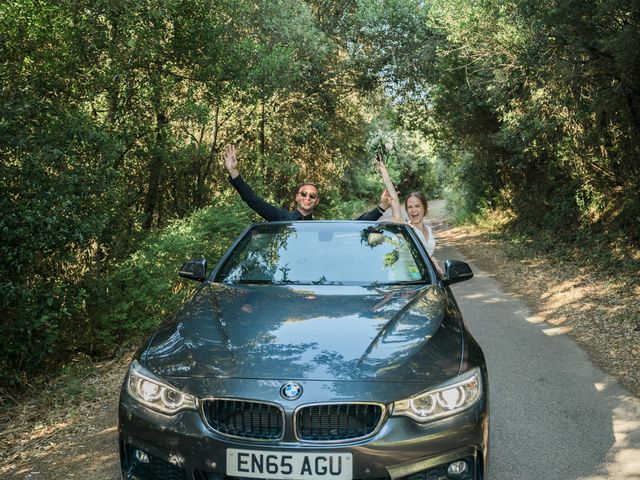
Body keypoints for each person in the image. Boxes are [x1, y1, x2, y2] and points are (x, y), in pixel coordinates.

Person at [221, 144, 390, 221]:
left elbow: (355, 226)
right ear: (297, 197)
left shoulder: (320, 229)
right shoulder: (282, 218)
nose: (307, 197)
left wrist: (381, 208)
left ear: (317, 201)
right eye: (304, 194)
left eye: (312, 195)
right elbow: (253, 201)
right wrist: (234, 172)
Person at [375, 153, 436, 257]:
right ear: (407, 210)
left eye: (417, 206)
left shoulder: (429, 230)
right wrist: (384, 171)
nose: (413, 210)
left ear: (424, 208)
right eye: (410, 207)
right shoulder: (405, 227)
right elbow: (394, 197)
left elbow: (427, 256)